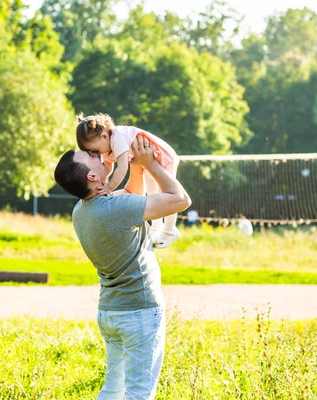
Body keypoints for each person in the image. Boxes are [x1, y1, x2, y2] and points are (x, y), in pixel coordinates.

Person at [54, 136, 191, 400]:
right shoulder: (115, 209)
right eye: (92, 157)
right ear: (93, 176)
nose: (97, 154)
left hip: (111, 313)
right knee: (139, 394)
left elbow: (132, 197)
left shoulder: (81, 210)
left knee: (113, 389)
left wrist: (135, 164)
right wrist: (152, 165)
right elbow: (180, 199)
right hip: (138, 313)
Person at [76, 113, 181, 249]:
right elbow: (108, 167)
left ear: (104, 136)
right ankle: (156, 226)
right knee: (152, 192)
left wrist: (109, 187)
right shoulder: (107, 147)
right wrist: (103, 180)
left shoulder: (117, 138)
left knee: (166, 194)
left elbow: (123, 167)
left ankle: (170, 230)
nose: (97, 155)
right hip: (149, 161)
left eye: (95, 150)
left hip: (164, 158)